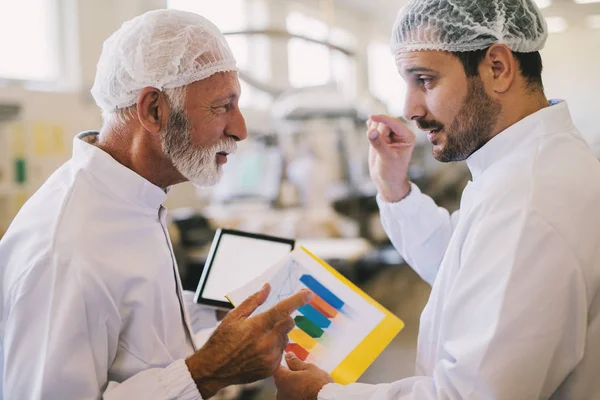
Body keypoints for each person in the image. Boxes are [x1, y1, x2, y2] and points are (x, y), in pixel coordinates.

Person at [274, 0, 600, 399]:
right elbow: (463, 266)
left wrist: (322, 395)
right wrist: (395, 188)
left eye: (424, 80)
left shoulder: (529, 201)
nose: (410, 108)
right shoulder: (524, 167)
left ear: (497, 67)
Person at [0, 9, 313, 399]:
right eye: (222, 107)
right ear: (153, 109)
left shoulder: (133, 199)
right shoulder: (65, 252)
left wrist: (213, 312)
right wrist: (207, 372)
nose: (240, 129)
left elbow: (133, 325)